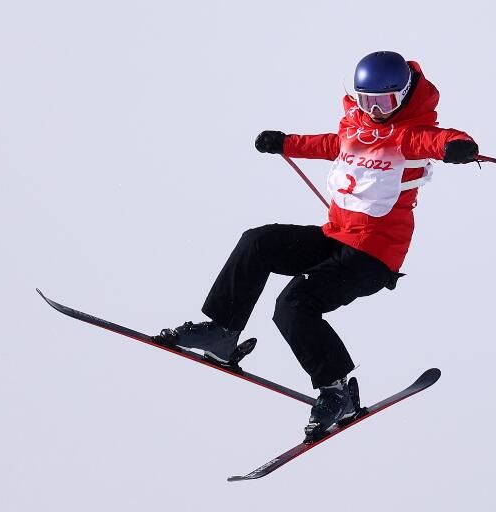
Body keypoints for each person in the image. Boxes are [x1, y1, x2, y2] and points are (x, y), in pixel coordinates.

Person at [154, 51, 478, 441]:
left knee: (293, 304)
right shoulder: (354, 128)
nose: (375, 111)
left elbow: (441, 139)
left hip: (372, 256)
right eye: (367, 101)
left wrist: (460, 147)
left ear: (406, 95)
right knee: (259, 241)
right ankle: (222, 331)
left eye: (385, 102)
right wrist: (286, 143)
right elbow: (329, 144)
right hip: (335, 235)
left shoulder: (410, 135)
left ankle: (336, 389)